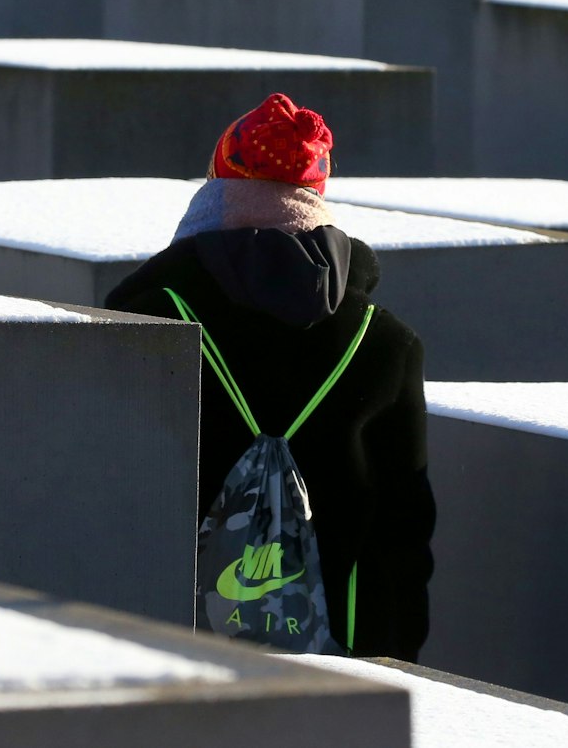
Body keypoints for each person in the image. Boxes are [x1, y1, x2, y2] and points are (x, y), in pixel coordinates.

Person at [106, 93, 434, 660]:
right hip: (338, 667)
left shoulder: (148, 317)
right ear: (317, 194)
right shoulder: (384, 341)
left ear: (216, 184)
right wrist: (395, 665)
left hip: (158, 657)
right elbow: (403, 533)